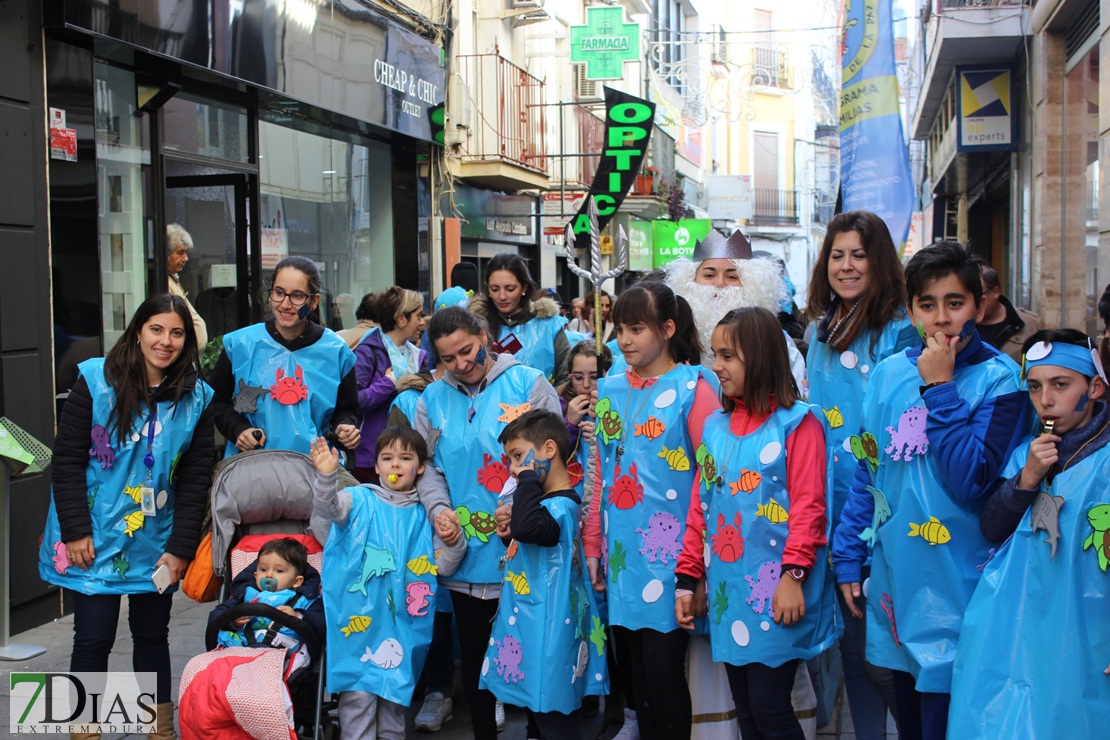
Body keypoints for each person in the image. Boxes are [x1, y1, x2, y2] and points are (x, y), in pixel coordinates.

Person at [832, 242, 1031, 740]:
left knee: (956, 721)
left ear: (979, 306)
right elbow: (867, 469)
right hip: (899, 577)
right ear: (911, 309)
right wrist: (848, 555)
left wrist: (939, 387)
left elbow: (970, 480)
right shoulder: (887, 374)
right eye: (927, 305)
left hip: (965, 582)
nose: (942, 320)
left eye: (955, 303)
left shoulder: (1001, 381)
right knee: (911, 721)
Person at [37, 293, 215, 740]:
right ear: (138, 331)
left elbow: (196, 480)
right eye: (157, 329)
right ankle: (83, 729)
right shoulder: (96, 381)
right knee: (93, 638)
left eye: (177, 333)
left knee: (152, 636)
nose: (166, 341)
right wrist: (76, 530)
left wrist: (180, 550)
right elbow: (68, 462)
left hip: (156, 541)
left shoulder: (198, 397)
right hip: (92, 538)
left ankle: (159, 728)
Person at [675, 307, 836, 740]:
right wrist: (689, 579)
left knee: (769, 708)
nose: (716, 366)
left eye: (727, 356)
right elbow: (700, 508)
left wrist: (793, 575)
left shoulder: (799, 424)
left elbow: (809, 508)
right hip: (730, 594)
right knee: (746, 710)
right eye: (715, 354)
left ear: (760, 357)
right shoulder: (714, 427)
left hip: (777, 590)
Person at [950, 330, 1110, 737]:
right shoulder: (1026, 451)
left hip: (1088, 628)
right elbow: (992, 527)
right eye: (1035, 387)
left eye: (1061, 385)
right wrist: (1027, 478)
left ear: (1093, 387)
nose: (1046, 400)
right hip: (1019, 624)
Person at [412, 306, 562, 740]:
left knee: (531, 653)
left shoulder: (528, 383)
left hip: (526, 549)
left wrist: (523, 506)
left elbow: (557, 458)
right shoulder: (431, 399)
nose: (461, 365)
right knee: (477, 659)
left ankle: (538, 732)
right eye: (448, 359)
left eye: (467, 351)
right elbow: (429, 469)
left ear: (484, 335)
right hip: (466, 557)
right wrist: (439, 510)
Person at [583, 281, 720, 740]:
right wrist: (593, 543)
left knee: (664, 675)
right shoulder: (611, 388)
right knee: (637, 678)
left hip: (673, 558)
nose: (624, 340)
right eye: (620, 329)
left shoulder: (696, 387)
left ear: (667, 329)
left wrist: (695, 567)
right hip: (622, 557)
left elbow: (712, 476)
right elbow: (600, 470)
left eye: (636, 328)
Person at [805, 210, 917, 739]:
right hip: (834, 515)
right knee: (852, 652)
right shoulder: (818, 333)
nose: (846, 266)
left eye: (858, 255)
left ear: (880, 261)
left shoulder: (902, 333)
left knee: (891, 657)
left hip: (890, 516)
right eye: (836, 255)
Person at [310, 427, 464, 740]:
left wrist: (455, 542)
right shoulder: (358, 499)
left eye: (405, 458)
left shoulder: (426, 517)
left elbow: (442, 567)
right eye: (387, 458)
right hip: (357, 626)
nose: (395, 465)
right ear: (376, 466)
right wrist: (327, 478)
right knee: (358, 700)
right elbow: (329, 512)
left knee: (395, 703)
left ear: (420, 468)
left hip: (403, 630)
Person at [479, 410, 608, 738]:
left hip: (549, 631)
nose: (513, 468)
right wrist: (509, 535)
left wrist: (527, 482)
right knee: (541, 713)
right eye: (510, 459)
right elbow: (531, 538)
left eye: (518, 456)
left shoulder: (559, 506)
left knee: (554, 718)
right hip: (536, 626)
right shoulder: (548, 505)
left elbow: (534, 528)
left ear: (549, 449)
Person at [208, 256, 359, 457]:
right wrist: (238, 429)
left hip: (315, 469)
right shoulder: (240, 345)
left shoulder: (336, 350)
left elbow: (346, 409)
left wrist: (345, 427)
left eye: (297, 296)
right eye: (279, 293)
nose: (285, 304)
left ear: (314, 301)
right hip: (252, 468)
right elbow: (215, 401)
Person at [665, 229, 806, 391]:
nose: (719, 283)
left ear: (752, 286)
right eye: (709, 275)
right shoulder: (671, 339)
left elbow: (792, 398)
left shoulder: (776, 342)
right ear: (690, 281)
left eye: (732, 277)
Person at [210, 538, 324, 674]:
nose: (269, 575)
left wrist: (298, 616)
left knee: (301, 660)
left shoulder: (304, 600)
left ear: (296, 581)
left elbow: (322, 623)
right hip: (243, 651)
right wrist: (232, 621)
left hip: (284, 654)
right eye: (263, 569)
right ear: (255, 575)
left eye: (279, 571)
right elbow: (216, 617)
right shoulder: (245, 595)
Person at [351, 287, 430, 481]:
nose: (422, 322)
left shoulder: (419, 356)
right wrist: (389, 383)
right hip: (371, 458)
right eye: (418, 316)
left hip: (410, 454)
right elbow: (354, 401)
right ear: (401, 319)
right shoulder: (367, 352)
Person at [469, 252, 570, 385]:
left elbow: (567, 376)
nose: (502, 296)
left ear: (524, 287)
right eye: (494, 289)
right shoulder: (475, 326)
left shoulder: (550, 326)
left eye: (510, 289)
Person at [975, 262, 1042, 363]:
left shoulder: (1031, 324)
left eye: (978, 296)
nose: (974, 302)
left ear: (995, 292)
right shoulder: (958, 325)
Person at [166, 223, 209, 348]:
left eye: (186, 253)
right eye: (180, 253)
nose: (185, 258)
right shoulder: (164, 284)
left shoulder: (172, 279)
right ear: (166, 254)